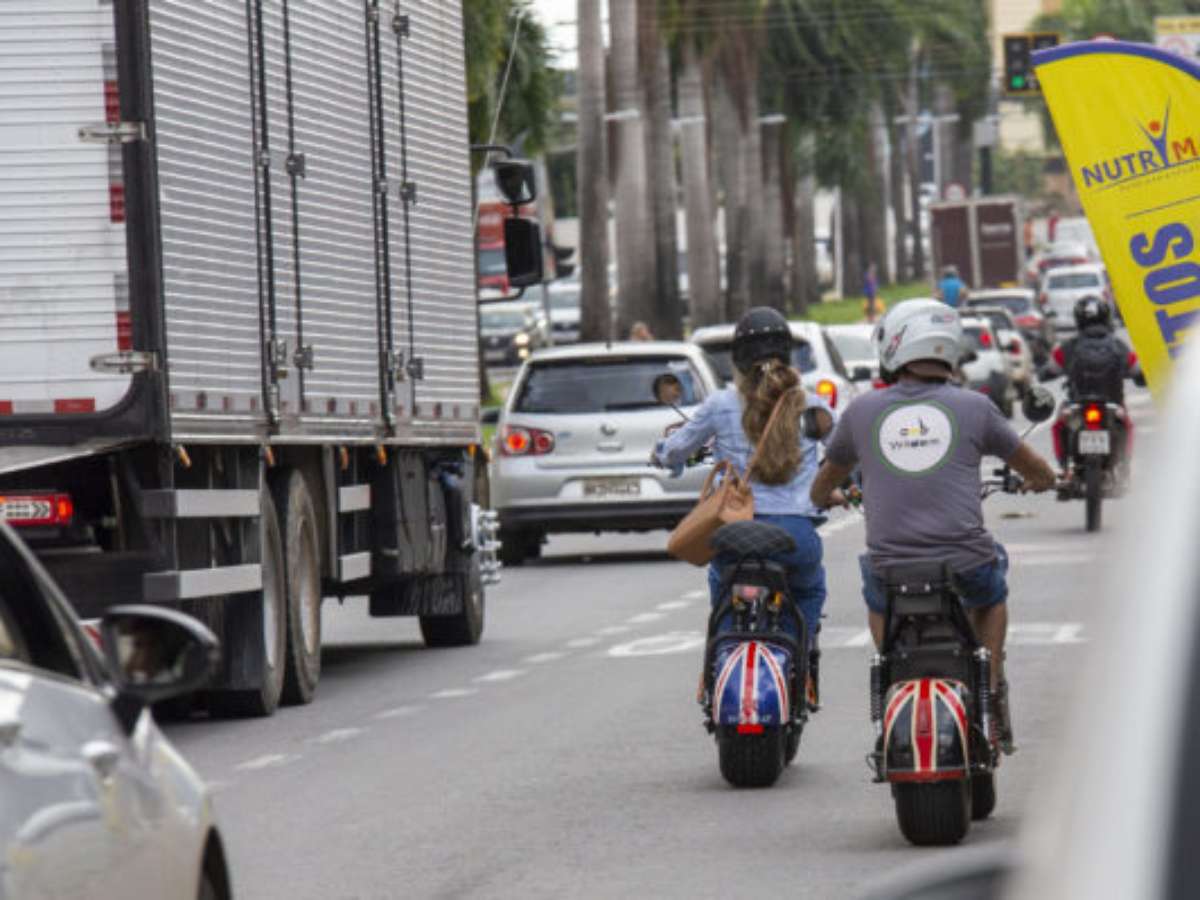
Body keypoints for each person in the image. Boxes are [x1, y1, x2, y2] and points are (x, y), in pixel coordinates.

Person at [809, 299, 1057, 752]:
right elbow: (1036, 468)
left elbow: (822, 483)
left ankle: (892, 677)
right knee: (992, 584)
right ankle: (992, 684)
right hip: (966, 564)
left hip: (892, 573)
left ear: (894, 344)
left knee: (876, 585)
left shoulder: (861, 412)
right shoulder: (976, 408)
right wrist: (1042, 481)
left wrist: (827, 494)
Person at [652, 307, 839, 703]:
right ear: (788, 354)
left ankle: (716, 668)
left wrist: (661, 453)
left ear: (737, 359)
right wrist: (846, 486)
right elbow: (843, 454)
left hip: (735, 535)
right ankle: (800, 665)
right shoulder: (812, 406)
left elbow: (676, 450)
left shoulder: (720, 405)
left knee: (722, 589)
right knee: (808, 591)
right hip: (796, 535)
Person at [1042, 295, 1138, 476]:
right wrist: (1142, 377)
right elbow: (1136, 369)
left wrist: (1045, 373)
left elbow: (1050, 369)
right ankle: (1124, 465)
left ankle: (1064, 467)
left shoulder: (1068, 346)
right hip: (1113, 403)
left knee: (1058, 426)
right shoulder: (1119, 346)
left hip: (1077, 403)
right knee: (1127, 424)